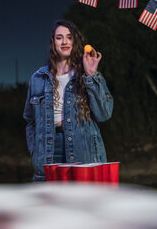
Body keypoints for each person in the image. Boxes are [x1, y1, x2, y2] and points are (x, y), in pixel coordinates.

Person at [23, 20, 113, 181]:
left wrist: (91, 74)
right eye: (59, 37)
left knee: (81, 201)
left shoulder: (85, 74)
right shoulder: (38, 78)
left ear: (75, 41)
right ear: (53, 43)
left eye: (69, 37)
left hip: (83, 148)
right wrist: (36, 149)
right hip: (49, 151)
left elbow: (104, 114)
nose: (64, 42)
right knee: (49, 202)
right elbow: (30, 120)